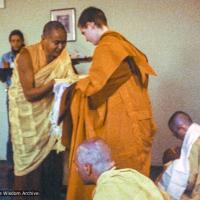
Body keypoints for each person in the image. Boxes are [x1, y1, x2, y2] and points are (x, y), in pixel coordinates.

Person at [59, 6, 157, 200]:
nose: (85, 38)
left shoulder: (107, 46)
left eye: (84, 32)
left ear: (91, 24)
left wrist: (74, 88)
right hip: (139, 118)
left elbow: (94, 87)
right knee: (134, 178)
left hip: (124, 122)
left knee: (118, 173)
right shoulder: (125, 44)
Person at [8, 21, 77, 200]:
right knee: (24, 169)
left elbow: (71, 81)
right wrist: (55, 83)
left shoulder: (63, 57)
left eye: (64, 42)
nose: (60, 47)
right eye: (56, 42)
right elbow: (30, 94)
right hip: (27, 123)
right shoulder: (26, 55)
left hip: (50, 122)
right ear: (43, 39)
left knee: (49, 167)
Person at [75, 138, 169, 200]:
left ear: (87, 168)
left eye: (77, 166)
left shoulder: (106, 192)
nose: (76, 169)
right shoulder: (132, 175)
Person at [158, 111, 200, 200]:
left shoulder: (194, 142)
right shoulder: (197, 133)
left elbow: (191, 178)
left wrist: (172, 165)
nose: (176, 136)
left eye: (175, 133)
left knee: (165, 187)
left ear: (182, 128)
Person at [0, 30, 25, 169]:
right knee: (12, 128)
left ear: (21, 41)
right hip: (11, 95)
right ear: (10, 42)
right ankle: (11, 163)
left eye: (17, 40)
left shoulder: (27, 55)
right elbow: (3, 79)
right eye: (12, 41)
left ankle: (25, 160)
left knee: (25, 127)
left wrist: (11, 69)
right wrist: (4, 70)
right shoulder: (5, 57)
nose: (15, 43)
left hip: (26, 95)